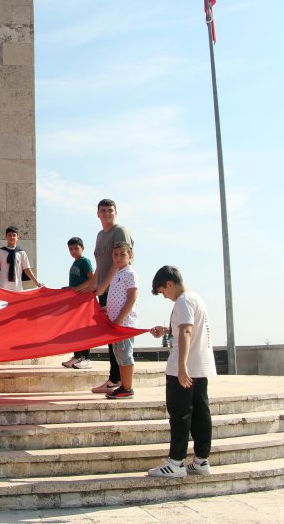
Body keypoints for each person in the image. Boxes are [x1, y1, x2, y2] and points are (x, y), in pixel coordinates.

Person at [147, 265, 217, 478]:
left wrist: (181, 366)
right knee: (200, 414)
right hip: (201, 366)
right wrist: (167, 329)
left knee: (179, 414)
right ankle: (201, 460)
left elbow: (186, 331)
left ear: (169, 284)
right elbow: (186, 328)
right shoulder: (195, 298)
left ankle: (176, 462)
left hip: (184, 367)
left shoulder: (183, 301)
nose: (165, 296)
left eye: (163, 292)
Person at [63, 199, 133, 371]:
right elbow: (100, 268)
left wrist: (101, 288)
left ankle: (119, 380)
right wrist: (83, 290)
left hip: (117, 290)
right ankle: (113, 379)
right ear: (97, 214)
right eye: (103, 210)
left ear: (116, 212)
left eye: (110, 210)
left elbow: (119, 263)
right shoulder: (100, 235)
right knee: (108, 337)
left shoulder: (120, 231)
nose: (107, 213)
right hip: (104, 291)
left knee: (117, 337)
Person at [92, 242, 138, 398]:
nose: (118, 258)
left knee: (125, 355)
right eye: (115, 254)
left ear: (130, 256)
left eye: (122, 254)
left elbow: (131, 298)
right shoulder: (117, 273)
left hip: (124, 324)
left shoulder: (130, 274)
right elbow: (117, 298)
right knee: (119, 356)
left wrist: (118, 320)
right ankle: (122, 385)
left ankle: (128, 387)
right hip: (115, 323)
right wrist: (108, 310)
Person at [0, 225, 41, 290]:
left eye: (14, 235)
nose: (12, 237)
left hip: (17, 288)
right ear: (6, 237)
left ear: (17, 237)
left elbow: (27, 269)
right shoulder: (0, 252)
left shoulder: (22, 253)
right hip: (3, 287)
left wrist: (37, 283)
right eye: (9, 235)